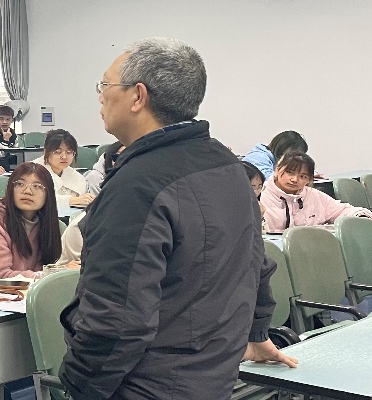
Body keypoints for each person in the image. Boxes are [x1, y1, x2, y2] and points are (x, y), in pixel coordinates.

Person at [62, 38, 295, 400]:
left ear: (138, 96)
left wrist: (79, 386)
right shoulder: (227, 166)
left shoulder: (138, 185)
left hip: (147, 385)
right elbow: (255, 263)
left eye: (105, 84)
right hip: (213, 376)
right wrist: (256, 331)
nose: (101, 96)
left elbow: (117, 320)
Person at [0, 162, 61, 279]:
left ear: (49, 194)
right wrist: (50, 276)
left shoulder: (44, 223)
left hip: (29, 289)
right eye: (20, 184)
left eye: (37, 186)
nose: (27, 191)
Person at [261, 153, 372, 233]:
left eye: (302, 176)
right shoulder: (260, 196)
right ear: (277, 170)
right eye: (290, 173)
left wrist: (360, 216)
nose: (295, 179)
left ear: (309, 179)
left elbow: (342, 210)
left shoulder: (313, 196)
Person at [41, 130, 91, 210]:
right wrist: (72, 200)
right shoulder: (33, 172)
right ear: (46, 152)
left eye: (69, 152)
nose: (64, 157)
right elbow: (39, 199)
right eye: (58, 152)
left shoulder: (77, 177)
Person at [242, 131, 308, 180]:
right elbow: (269, 181)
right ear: (282, 147)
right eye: (294, 153)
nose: (295, 157)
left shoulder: (276, 160)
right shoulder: (258, 157)